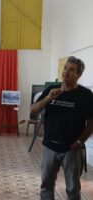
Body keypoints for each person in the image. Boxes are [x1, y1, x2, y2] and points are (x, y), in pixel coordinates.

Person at [30, 56, 93, 200]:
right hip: (49, 147)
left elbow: (91, 122)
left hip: (71, 150)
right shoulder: (51, 90)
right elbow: (33, 110)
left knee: (73, 189)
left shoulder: (86, 95)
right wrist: (47, 99)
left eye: (71, 70)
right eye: (65, 68)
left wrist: (80, 142)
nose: (66, 72)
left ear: (79, 74)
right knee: (46, 186)